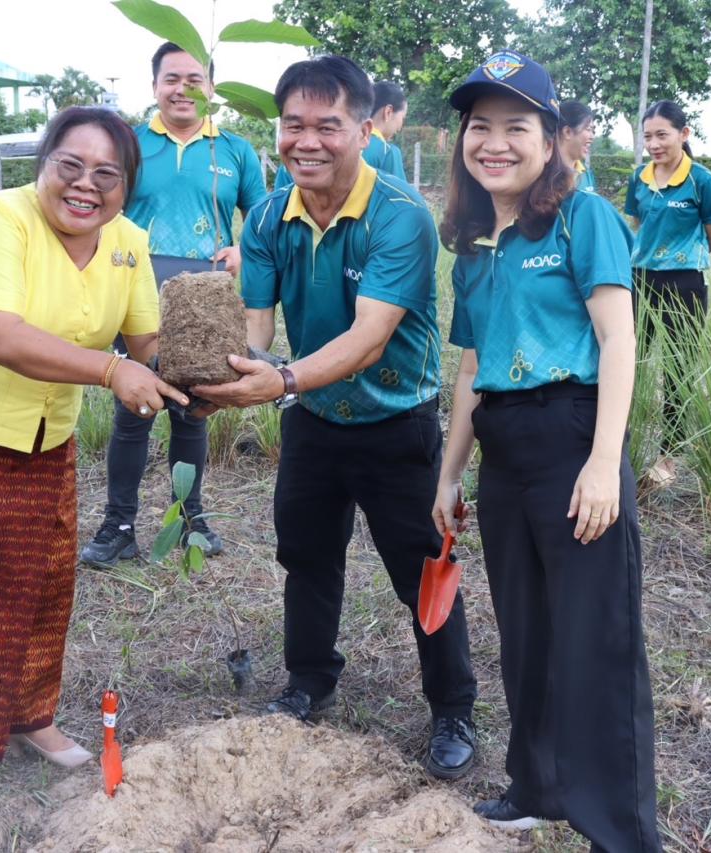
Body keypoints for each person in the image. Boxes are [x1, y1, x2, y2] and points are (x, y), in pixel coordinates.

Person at [0, 107, 188, 790]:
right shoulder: (0, 217)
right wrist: (110, 372)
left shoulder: (129, 243)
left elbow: (148, 346)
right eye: (69, 166)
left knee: (43, 583)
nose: (86, 186)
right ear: (43, 165)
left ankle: (29, 715)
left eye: (106, 174)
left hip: (45, 435)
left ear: (127, 186)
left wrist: (211, 367)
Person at [194, 55, 478, 781]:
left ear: (363, 128)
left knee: (421, 571)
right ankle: (308, 679)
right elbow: (257, 327)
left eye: (329, 125)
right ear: (278, 130)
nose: (307, 142)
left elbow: (368, 336)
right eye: (294, 125)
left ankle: (453, 707)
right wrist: (219, 376)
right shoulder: (266, 217)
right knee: (307, 556)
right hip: (314, 420)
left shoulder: (401, 216)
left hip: (397, 424)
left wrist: (279, 377)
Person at [433, 51, 662, 850]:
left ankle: (621, 830)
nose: (494, 143)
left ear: (553, 137)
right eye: (480, 127)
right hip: (505, 450)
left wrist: (605, 461)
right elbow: (470, 366)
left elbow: (618, 338)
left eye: (516, 127)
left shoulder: (583, 216)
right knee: (525, 629)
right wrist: (451, 468)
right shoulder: (470, 246)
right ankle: (536, 785)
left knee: (595, 637)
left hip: (572, 437)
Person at [80, 42, 267, 566]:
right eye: (171, 79)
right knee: (135, 406)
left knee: (193, 408)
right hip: (137, 291)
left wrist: (241, 248)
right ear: (154, 86)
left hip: (205, 300)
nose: (182, 89)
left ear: (212, 87)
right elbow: (100, 208)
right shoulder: (130, 144)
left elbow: (262, 216)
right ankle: (118, 526)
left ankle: (192, 519)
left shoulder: (233, 149)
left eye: (194, 79)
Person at [624, 100, 711, 486]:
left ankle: (669, 456)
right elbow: (639, 224)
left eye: (662, 135)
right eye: (647, 136)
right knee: (626, 364)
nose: (654, 143)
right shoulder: (639, 178)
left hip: (685, 285)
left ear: (684, 134)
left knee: (678, 372)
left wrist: (680, 257)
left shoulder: (702, 181)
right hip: (639, 281)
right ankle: (617, 444)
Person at [273, 79, 408, 188]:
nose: (400, 127)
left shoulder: (293, 158)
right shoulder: (387, 152)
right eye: (402, 117)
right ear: (388, 112)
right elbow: (401, 203)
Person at [558, 99, 597, 193]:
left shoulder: (587, 175)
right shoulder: (540, 174)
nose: (592, 137)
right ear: (567, 132)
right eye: (588, 129)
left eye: (593, 131)